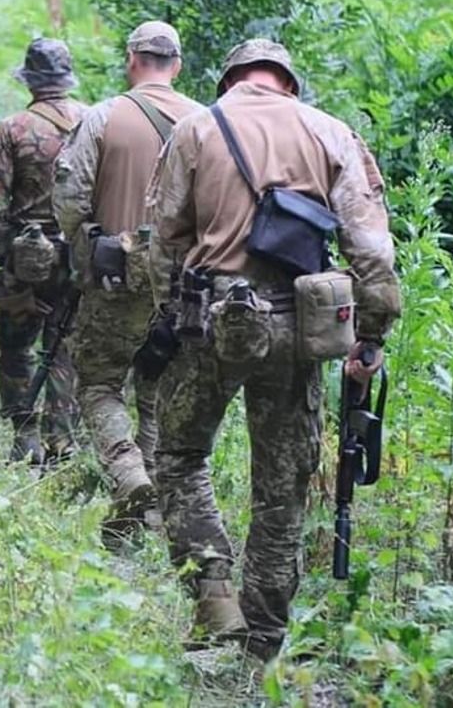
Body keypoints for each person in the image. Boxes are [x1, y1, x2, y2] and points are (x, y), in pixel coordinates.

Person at [145, 39, 400, 660]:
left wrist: (170, 311)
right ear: (289, 83)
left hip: (212, 321)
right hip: (298, 327)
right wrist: (371, 334)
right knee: (281, 489)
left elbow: (162, 237)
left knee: (177, 455)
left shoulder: (196, 127)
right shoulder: (331, 132)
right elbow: (371, 249)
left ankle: (212, 591)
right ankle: (262, 641)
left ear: (231, 80)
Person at [54, 21, 202, 546]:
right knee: (159, 389)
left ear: (131, 59)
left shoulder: (102, 117)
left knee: (98, 383)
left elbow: (69, 199)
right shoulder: (207, 123)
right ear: (177, 65)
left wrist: (87, 243)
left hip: (117, 276)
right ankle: (155, 510)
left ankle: (129, 475)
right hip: (185, 284)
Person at [0, 38, 87, 466]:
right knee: (64, 347)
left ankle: (25, 436)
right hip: (77, 259)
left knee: (16, 347)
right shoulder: (94, 122)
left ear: (30, 80)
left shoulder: (13, 128)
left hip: (24, 262)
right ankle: (61, 441)